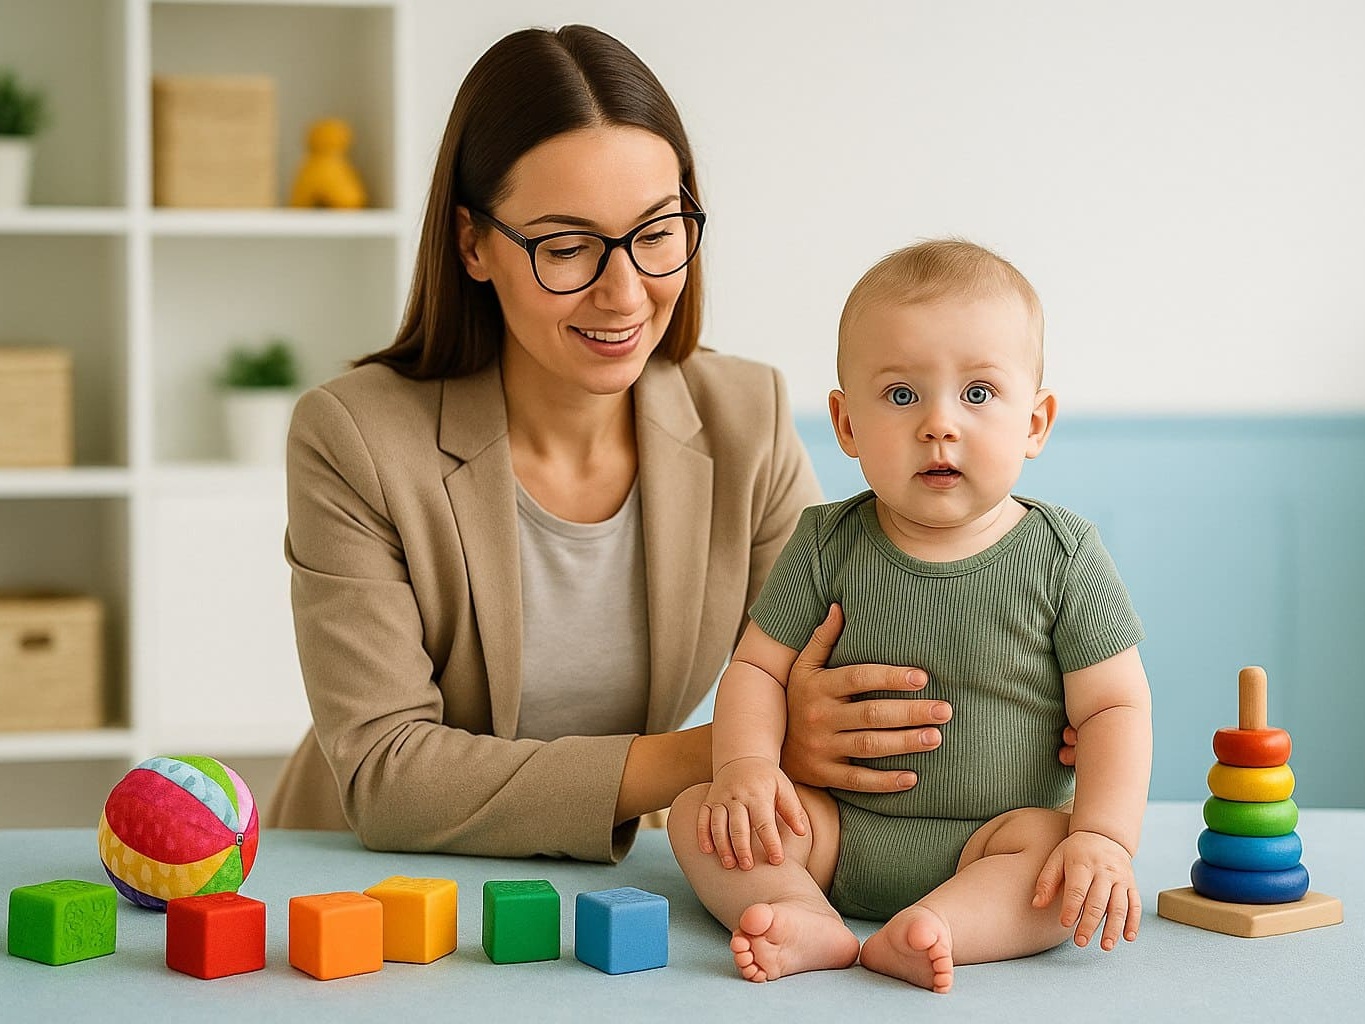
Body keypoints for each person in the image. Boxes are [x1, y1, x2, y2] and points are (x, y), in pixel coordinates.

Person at [264, 25, 990, 861]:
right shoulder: (353, 438)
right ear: (472, 244)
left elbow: (851, 661)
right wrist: (724, 751)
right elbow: (391, 777)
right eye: (566, 247)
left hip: (601, 882)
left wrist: (1041, 702)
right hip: (360, 878)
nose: (624, 294)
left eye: (655, 234)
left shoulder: (742, 415)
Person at [668, 239, 1153, 992]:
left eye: (978, 394)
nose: (938, 425)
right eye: (900, 395)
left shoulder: (1064, 556)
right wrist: (746, 768)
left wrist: (1102, 837)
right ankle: (802, 916)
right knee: (698, 813)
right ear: (845, 423)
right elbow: (757, 669)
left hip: (994, 841)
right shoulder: (824, 542)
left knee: (1061, 867)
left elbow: (1116, 706)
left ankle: (942, 930)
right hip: (831, 828)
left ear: (1034, 421)